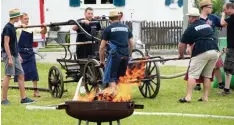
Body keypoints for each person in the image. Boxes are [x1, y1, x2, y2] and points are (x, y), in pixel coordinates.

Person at [178, 7, 219, 103]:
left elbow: (181, 45)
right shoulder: (206, 25)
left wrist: (181, 55)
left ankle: (188, 97)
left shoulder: (191, 28)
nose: (188, 19)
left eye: (189, 17)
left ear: (192, 18)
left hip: (202, 50)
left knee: (192, 74)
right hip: (214, 50)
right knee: (207, 75)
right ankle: (205, 97)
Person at [185, 0, 225, 91]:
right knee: (198, 65)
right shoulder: (196, 18)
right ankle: (197, 84)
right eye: (210, 7)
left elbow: (222, 24)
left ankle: (220, 83)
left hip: (212, 43)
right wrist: (188, 46)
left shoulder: (213, 18)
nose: (211, 8)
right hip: (197, 44)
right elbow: (189, 34)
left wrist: (223, 15)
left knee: (216, 64)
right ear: (204, 7)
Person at [1, 9, 35, 105]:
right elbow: (6, 44)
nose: (19, 18)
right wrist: (10, 57)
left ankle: (24, 98)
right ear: (15, 17)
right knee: (8, 75)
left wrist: (18, 54)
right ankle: (4, 100)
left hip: (15, 54)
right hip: (9, 54)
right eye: (18, 17)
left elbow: (14, 43)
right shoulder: (8, 27)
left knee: (21, 74)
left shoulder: (12, 27)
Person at [100, 10, 134, 94]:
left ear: (110, 19)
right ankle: (121, 96)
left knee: (111, 77)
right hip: (125, 54)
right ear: (118, 17)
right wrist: (129, 55)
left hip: (115, 55)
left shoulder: (108, 29)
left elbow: (102, 47)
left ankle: (116, 95)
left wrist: (101, 61)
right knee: (120, 77)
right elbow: (132, 44)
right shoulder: (126, 27)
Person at [14, 12, 47, 97]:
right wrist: (20, 26)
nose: (27, 20)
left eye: (28, 19)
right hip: (21, 53)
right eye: (25, 19)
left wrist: (45, 26)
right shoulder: (18, 29)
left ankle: (36, 91)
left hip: (30, 53)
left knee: (34, 72)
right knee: (21, 74)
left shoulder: (31, 28)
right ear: (21, 19)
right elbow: (11, 30)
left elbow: (43, 31)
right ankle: (23, 92)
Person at [220, 2, 234, 95]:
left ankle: (226, 90)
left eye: (225, 9)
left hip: (232, 48)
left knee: (228, 68)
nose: (224, 11)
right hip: (231, 46)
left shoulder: (231, 18)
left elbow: (222, 23)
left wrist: (222, 15)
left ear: (230, 8)